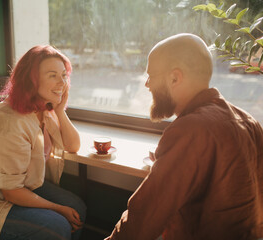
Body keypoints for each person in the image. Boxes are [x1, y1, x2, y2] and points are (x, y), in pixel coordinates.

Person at [105, 33, 263, 240]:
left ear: (174, 78)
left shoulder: (190, 130)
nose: (147, 84)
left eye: (151, 75)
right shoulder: (249, 121)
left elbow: (143, 219)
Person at [0, 45, 86, 240]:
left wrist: (60, 111)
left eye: (64, 75)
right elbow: (11, 191)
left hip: (16, 186)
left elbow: (73, 146)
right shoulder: (10, 120)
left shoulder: (45, 108)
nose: (62, 82)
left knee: (77, 207)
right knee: (58, 225)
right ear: (31, 81)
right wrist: (57, 208)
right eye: (52, 75)